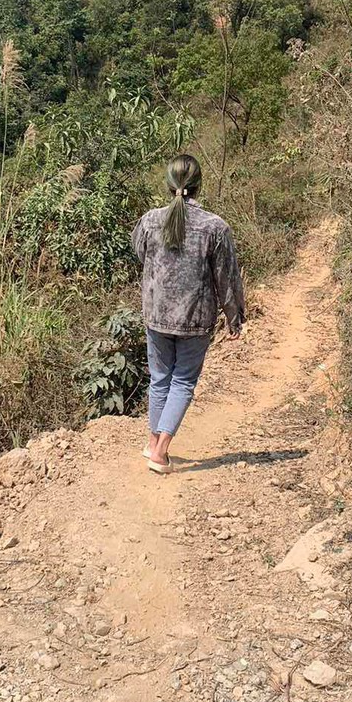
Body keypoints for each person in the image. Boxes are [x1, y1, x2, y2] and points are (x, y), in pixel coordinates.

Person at [130, 154, 246, 475]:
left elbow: (140, 253)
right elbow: (227, 277)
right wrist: (234, 317)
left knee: (159, 379)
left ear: (169, 184)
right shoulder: (215, 227)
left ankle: (153, 442)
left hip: (156, 314)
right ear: (198, 185)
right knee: (182, 381)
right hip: (195, 319)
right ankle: (160, 453)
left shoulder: (150, 220)